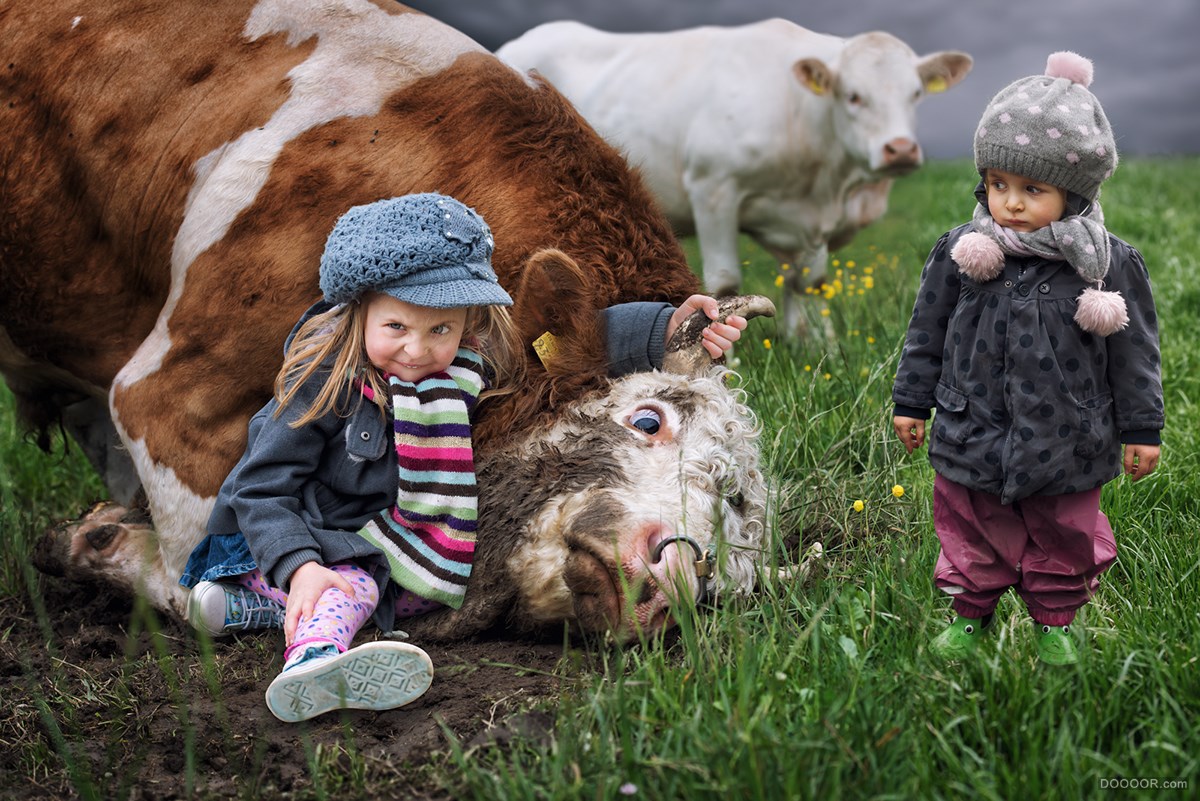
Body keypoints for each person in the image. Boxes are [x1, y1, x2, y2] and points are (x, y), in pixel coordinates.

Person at [179, 192, 747, 721]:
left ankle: (244, 609)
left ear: (468, 324)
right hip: (292, 536)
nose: (418, 349)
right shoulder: (319, 386)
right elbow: (259, 492)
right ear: (357, 313)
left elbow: (564, 339)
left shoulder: (461, 367)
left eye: (441, 328)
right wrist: (302, 566)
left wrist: (661, 328)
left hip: (371, 537)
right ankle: (313, 664)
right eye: (396, 326)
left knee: (407, 594)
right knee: (354, 587)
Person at [891, 52, 1163, 666]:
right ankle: (969, 614)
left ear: (1075, 193)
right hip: (971, 422)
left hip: (1068, 431)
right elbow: (926, 329)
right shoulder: (964, 251)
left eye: (1032, 189)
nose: (1009, 203)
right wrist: (912, 400)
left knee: (1063, 525)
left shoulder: (1107, 265)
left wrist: (1142, 427)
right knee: (968, 518)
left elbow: (1135, 351)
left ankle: (1056, 620)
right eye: (997, 184)